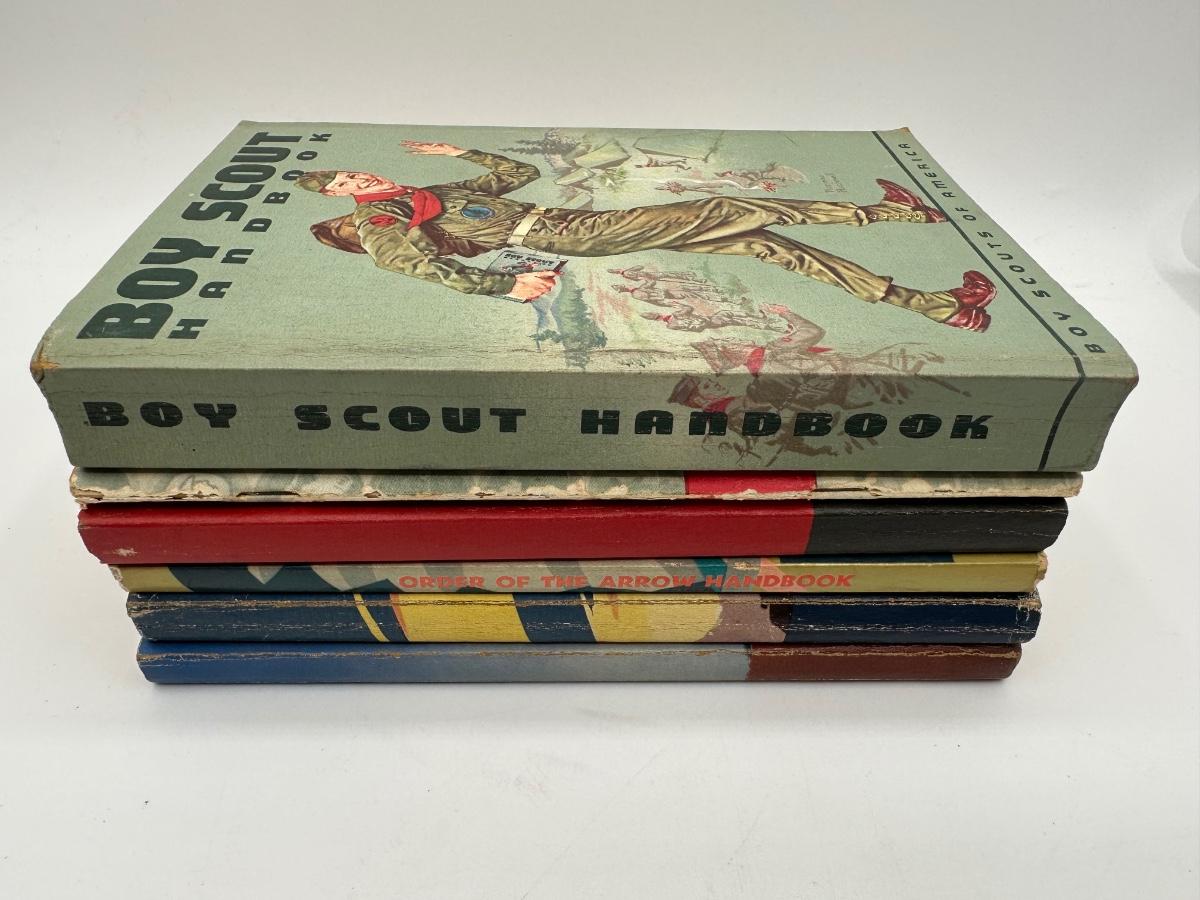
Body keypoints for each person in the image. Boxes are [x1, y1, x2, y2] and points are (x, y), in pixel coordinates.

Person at [296, 141, 995, 331]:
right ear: (339, 204)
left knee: (766, 245)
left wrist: (461, 154)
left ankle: (936, 308)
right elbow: (411, 266)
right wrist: (505, 286)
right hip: (577, 232)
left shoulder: (427, 194)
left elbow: (516, 172)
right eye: (343, 185)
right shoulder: (382, 222)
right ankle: (894, 214)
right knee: (726, 205)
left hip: (572, 225)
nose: (356, 179)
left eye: (350, 173)